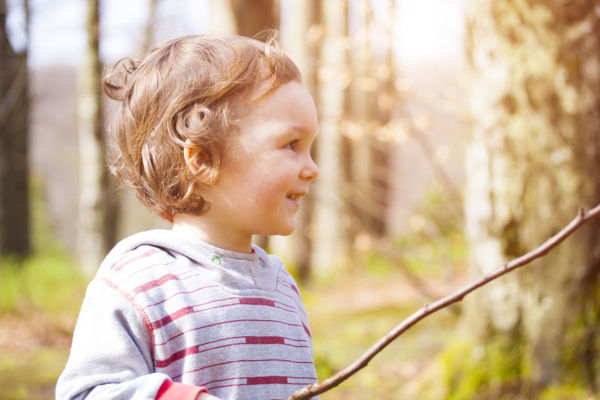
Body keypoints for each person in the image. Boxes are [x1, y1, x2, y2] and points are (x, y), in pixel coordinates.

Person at [56, 33, 320, 400]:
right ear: (202, 160)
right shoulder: (139, 281)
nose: (312, 168)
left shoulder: (282, 287)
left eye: (310, 148)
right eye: (291, 145)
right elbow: (87, 392)